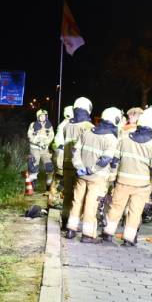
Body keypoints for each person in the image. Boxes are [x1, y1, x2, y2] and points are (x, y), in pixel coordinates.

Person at [104, 106, 152, 247]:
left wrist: (112, 179)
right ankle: (129, 239)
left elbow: (115, 161)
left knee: (116, 208)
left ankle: (107, 233)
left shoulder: (124, 139)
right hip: (142, 187)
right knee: (135, 212)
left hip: (122, 183)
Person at [67, 105, 121, 242]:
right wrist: (92, 169)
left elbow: (75, 150)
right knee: (91, 205)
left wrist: (79, 166)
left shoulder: (87, 132)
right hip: (98, 177)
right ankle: (87, 235)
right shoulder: (111, 139)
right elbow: (106, 160)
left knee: (77, 201)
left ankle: (70, 230)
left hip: (81, 175)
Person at [59, 98, 95, 231]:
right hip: (81, 167)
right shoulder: (88, 126)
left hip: (67, 164)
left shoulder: (67, 125)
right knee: (80, 196)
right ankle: (75, 223)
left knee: (67, 194)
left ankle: (64, 221)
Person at [26, 109, 57, 198]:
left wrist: (46, 142)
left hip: (45, 150)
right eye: (41, 116)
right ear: (38, 117)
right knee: (33, 168)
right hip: (35, 149)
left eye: (44, 116)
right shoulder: (33, 125)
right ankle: (31, 188)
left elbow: (51, 135)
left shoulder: (49, 125)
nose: (43, 117)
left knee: (49, 168)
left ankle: (48, 188)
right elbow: (29, 135)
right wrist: (38, 142)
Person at [49, 105, 74, 208]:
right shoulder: (67, 125)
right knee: (60, 177)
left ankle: (54, 199)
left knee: (58, 177)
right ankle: (54, 201)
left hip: (59, 153)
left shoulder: (64, 124)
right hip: (61, 153)